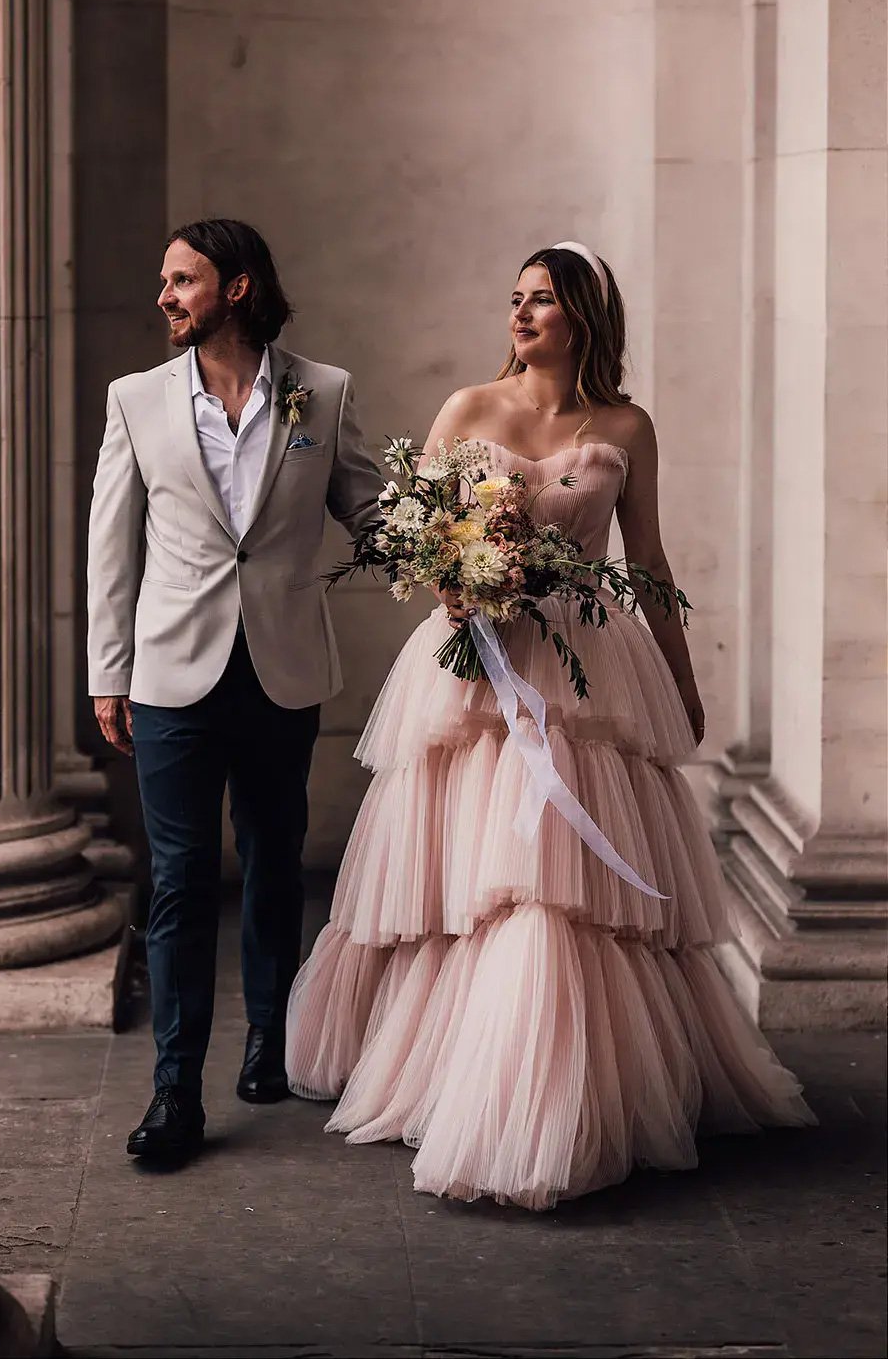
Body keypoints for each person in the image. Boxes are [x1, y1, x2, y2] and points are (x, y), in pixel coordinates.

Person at [286, 241, 814, 1209]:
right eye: (514, 298)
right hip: (480, 670)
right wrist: (454, 584)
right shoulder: (467, 411)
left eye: (542, 301)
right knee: (475, 884)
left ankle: (570, 1096)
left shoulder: (626, 425)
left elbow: (648, 560)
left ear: (582, 317)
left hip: (586, 669)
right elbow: (416, 535)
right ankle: (464, 1078)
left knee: (561, 886)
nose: (521, 316)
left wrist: (683, 681)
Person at [87, 218, 381, 1168]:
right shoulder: (135, 399)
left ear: (239, 287)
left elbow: (370, 506)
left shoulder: (322, 392)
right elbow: (111, 541)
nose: (165, 296)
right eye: (165, 280)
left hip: (282, 665)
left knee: (271, 861)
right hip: (173, 674)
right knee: (177, 883)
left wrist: (469, 558)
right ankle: (174, 1091)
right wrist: (109, 670)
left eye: (183, 280)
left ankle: (268, 1038)